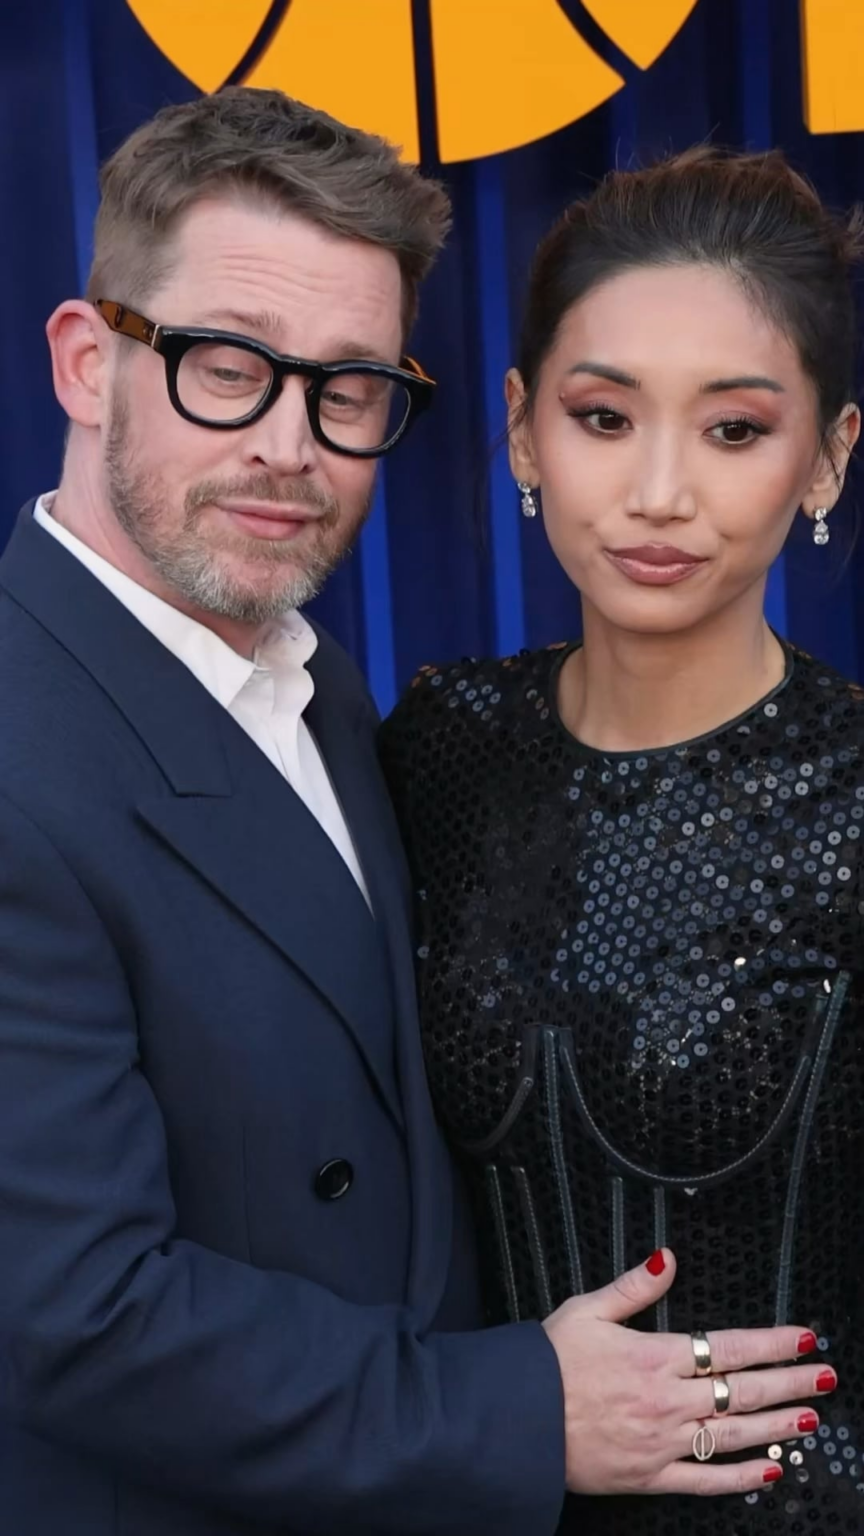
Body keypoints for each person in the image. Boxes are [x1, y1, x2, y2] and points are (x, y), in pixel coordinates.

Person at [0, 88, 823, 1535]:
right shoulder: (36, 736)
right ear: (85, 361)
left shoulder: (336, 700)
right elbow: (74, 1308)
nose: (287, 445)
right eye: (224, 367)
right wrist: (513, 1411)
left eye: (348, 388)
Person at [380, 145, 862, 1536]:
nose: (658, 493)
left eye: (732, 430)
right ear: (524, 430)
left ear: (828, 456)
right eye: (604, 418)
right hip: (473, 1499)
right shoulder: (437, 747)